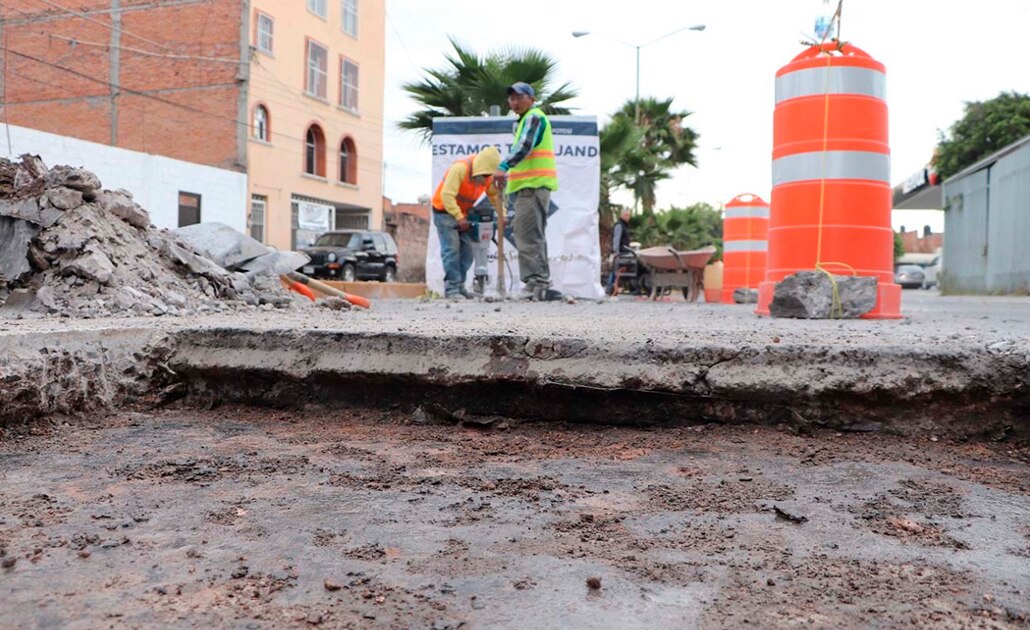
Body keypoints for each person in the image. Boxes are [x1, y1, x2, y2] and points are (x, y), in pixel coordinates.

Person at [493, 82, 560, 301]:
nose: (514, 102)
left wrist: (503, 166)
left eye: (519, 97)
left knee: (528, 234)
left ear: (531, 99)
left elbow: (524, 146)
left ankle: (536, 282)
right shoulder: (525, 120)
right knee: (527, 233)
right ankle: (536, 283)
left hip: (533, 186)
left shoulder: (534, 117)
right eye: (511, 98)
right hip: (527, 187)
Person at [431, 146, 502, 298]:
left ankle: (460, 286)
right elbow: (447, 196)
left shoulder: (487, 175)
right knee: (451, 250)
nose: (485, 178)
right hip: (444, 211)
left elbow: (494, 196)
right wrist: (459, 217)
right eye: (484, 174)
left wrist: (503, 214)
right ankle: (452, 289)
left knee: (468, 251)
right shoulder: (460, 169)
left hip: (463, 214)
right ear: (480, 168)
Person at [606, 208, 634, 294]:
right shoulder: (619, 225)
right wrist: (616, 252)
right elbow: (616, 240)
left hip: (625, 251)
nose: (627, 217)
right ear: (621, 215)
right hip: (620, 252)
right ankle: (609, 288)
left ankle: (612, 288)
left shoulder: (624, 226)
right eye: (626, 215)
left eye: (628, 215)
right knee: (615, 271)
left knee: (617, 271)